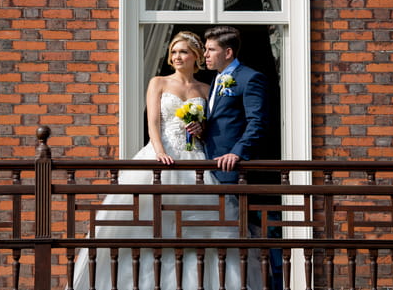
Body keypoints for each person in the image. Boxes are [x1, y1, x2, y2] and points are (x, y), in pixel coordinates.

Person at [68, 31, 259, 290]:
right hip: (162, 155)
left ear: (195, 57)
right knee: (146, 224)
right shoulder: (158, 82)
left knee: (200, 227)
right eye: (173, 52)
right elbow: (153, 124)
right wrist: (159, 152)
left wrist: (200, 129)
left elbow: (208, 128)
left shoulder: (206, 88)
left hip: (195, 157)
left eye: (183, 52)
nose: (177, 57)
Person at [201, 25, 270, 184]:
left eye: (211, 50)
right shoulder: (216, 79)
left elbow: (257, 122)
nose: (205, 55)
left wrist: (237, 153)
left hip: (232, 166)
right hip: (210, 162)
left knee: (233, 209)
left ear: (228, 53)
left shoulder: (250, 78)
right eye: (206, 49)